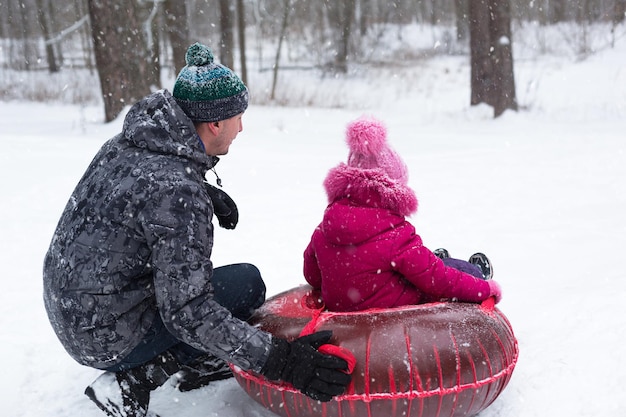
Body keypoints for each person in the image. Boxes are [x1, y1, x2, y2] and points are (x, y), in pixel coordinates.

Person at [43, 42, 351, 417]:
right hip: (105, 336)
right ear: (215, 123)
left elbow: (133, 194)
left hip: (72, 310)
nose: (242, 127)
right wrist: (283, 361)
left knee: (221, 288)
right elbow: (189, 311)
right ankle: (132, 380)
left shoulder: (129, 143)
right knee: (245, 285)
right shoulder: (176, 191)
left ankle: (171, 360)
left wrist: (202, 190)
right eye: (239, 117)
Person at [303, 117, 502, 312]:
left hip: (343, 310)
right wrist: (485, 289)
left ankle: (434, 258)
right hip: (392, 310)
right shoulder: (394, 234)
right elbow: (437, 280)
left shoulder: (325, 228)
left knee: (420, 264)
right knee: (440, 269)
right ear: (392, 192)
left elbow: (312, 275)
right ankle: (477, 273)